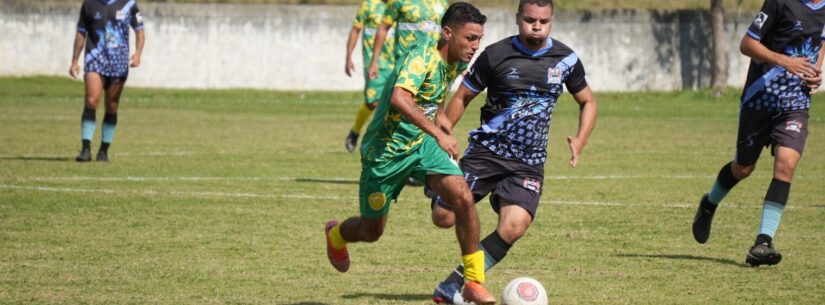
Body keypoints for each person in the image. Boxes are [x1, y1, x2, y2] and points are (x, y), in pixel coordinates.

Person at [324, 3, 496, 304]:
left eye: (479, 39)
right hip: (385, 154)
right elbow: (399, 98)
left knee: (463, 197)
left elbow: (434, 92)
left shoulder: (454, 60)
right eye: (470, 38)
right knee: (371, 230)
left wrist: (440, 118)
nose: (475, 46)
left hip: (421, 145)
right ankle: (337, 235)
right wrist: (438, 134)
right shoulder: (422, 57)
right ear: (447, 33)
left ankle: (473, 282)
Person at [429, 0, 597, 303]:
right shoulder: (495, 54)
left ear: (552, 20)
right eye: (530, 19)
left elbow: (588, 101)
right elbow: (464, 95)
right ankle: (441, 190)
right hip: (486, 153)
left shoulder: (566, 60)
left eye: (543, 21)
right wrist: (443, 137)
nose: (537, 26)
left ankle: (453, 285)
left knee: (514, 226)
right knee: (443, 217)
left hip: (528, 164)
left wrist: (581, 139)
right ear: (518, 18)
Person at [692, 0, 824, 267]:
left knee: (786, 165)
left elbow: (820, 40)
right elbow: (747, 44)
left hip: (795, 104)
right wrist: (784, 61)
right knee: (743, 168)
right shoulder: (780, 2)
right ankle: (709, 204)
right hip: (759, 100)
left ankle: (762, 243)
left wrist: (815, 71)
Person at [70, 0, 145, 162]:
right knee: (91, 100)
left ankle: (103, 151)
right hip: (94, 60)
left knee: (111, 106)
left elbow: (139, 30)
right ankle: (85, 149)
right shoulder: (89, 4)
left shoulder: (129, 4)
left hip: (118, 64)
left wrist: (138, 53)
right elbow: (81, 32)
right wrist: (75, 60)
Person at [344, 0, 396, 152]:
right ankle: (356, 131)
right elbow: (355, 30)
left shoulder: (399, 5)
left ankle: (384, 142)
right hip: (375, 63)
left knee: (397, 103)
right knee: (373, 102)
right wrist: (348, 57)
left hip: (397, 61)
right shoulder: (369, 5)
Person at [367, 0, 448, 80]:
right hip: (406, 67)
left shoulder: (442, 3)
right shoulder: (398, 1)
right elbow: (383, 28)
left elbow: (449, 32)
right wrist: (374, 61)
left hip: (434, 66)